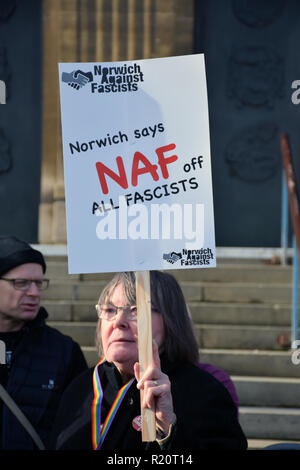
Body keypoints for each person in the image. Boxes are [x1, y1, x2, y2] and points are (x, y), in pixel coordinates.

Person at [50, 270, 247, 451]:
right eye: (110, 310)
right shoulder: (80, 387)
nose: (119, 321)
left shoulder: (203, 391)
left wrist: (168, 432)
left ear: (171, 320)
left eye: (136, 309)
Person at [0, 235, 88, 450]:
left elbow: (80, 428)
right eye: (21, 283)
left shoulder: (64, 352)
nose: (34, 293)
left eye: (39, 283)